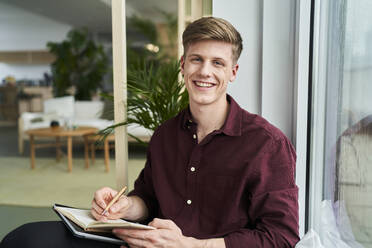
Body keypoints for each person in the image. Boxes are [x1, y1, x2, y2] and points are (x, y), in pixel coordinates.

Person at [0, 16, 299, 248]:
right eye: (197, 59)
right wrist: (124, 206)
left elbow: (281, 237)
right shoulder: (166, 135)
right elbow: (149, 199)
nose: (205, 71)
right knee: (27, 238)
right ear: (183, 65)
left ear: (232, 72)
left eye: (217, 63)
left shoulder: (267, 145)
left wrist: (190, 245)